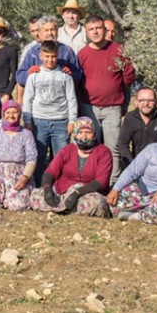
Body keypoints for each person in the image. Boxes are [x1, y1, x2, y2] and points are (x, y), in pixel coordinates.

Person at [77, 15, 136, 183]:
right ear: (87, 33)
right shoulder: (82, 54)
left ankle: (112, 184)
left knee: (113, 147)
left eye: (98, 28)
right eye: (91, 29)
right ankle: (91, 181)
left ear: (104, 29)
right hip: (89, 107)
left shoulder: (118, 50)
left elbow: (128, 77)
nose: (95, 32)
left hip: (112, 107)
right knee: (89, 145)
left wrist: (115, 87)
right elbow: (78, 81)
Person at [29, 118, 112, 217]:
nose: (84, 136)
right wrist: (47, 190)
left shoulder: (103, 152)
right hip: (63, 190)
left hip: (87, 192)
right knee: (35, 197)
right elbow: (50, 172)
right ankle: (64, 208)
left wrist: (78, 193)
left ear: (93, 134)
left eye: (88, 132)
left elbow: (101, 181)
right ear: (75, 134)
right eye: (80, 132)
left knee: (95, 203)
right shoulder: (67, 150)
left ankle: (61, 209)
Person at [22, 40, 78, 185]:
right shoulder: (34, 75)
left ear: (57, 55)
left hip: (61, 121)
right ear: (40, 55)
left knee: (61, 156)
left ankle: (60, 185)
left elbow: (71, 99)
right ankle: (38, 186)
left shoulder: (65, 75)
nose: (50, 60)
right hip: (39, 121)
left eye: (53, 56)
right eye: (47, 56)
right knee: (38, 156)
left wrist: (72, 121)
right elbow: (27, 99)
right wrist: (27, 121)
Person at [0, 101, 38, 211]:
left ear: (19, 114)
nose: (11, 116)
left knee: (17, 205)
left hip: (19, 176)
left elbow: (32, 158)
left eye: (15, 112)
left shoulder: (27, 134)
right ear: (3, 114)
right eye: (8, 112)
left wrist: (24, 178)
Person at [15, 15, 82, 88]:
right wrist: (29, 74)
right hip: (38, 97)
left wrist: (70, 75)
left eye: (52, 29)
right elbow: (19, 76)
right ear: (40, 33)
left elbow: (78, 74)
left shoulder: (67, 51)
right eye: (46, 30)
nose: (50, 33)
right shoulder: (32, 52)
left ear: (57, 31)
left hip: (61, 96)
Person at [117, 87, 157, 169]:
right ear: (136, 102)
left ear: (156, 102)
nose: (146, 104)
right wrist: (132, 165)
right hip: (137, 165)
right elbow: (122, 144)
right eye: (142, 100)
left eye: (150, 100)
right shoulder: (130, 118)